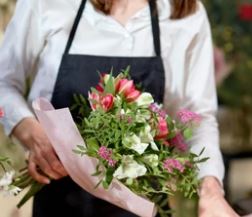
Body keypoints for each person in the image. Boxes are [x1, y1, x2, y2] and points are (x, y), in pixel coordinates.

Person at [0, 0, 240, 216]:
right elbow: (4, 82)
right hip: (58, 198)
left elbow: (198, 117)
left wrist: (211, 191)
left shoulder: (184, 12)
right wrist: (30, 132)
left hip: (143, 203)